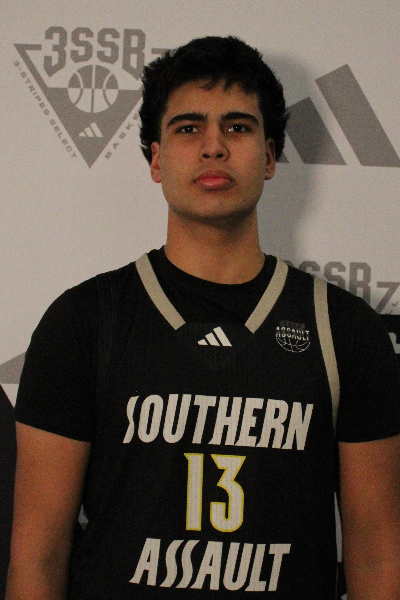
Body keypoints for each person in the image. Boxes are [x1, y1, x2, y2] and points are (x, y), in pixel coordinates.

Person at [6, 36, 400, 600]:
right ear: (156, 159)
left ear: (269, 157)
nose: (214, 147)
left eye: (237, 127)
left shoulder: (345, 330)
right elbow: (38, 556)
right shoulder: (83, 323)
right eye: (188, 128)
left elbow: (377, 554)